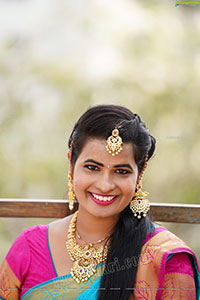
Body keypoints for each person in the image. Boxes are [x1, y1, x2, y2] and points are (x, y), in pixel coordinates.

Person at [0, 104, 199, 300]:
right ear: (71, 163)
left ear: (139, 175)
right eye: (92, 167)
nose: (105, 185)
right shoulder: (29, 248)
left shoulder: (166, 259)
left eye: (121, 172)